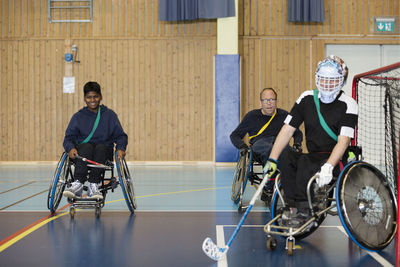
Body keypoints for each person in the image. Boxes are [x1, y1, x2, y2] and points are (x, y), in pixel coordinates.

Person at [264, 55, 358, 226]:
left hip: (335, 158)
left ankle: (303, 209)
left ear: (341, 81)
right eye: (323, 79)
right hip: (313, 155)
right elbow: (287, 130)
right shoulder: (306, 98)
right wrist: (272, 159)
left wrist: (329, 166)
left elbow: (343, 141)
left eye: (332, 80)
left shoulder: (349, 104)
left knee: (306, 162)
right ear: (317, 78)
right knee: (287, 157)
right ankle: (292, 206)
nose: (327, 84)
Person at [230, 87, 303, 199]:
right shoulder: (251, 116)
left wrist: (297, 144)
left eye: (272, 100)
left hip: (280, 145)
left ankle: (293, 187)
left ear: (276, 101)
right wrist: (243, 147)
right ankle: (269, 187)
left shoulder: (284, 115)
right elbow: (234, 135)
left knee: (291, 153)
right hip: (260, 145)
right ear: (260, 102)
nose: (269, 103)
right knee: (270, 149)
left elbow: (297, 133)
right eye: (265, 100)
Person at [63, 81, 128, 200]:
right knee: (86, 147)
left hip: (103, 151)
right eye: (89, 97)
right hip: (83, 152)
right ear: (84, 98)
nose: (92, 100)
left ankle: (94, 185)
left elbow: (120, 136)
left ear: (100, 97)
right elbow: (69, 138)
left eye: (95, 96)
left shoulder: (109, 115)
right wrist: (70, 148)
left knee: (100, 148)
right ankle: (78, 183)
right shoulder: (78, 117)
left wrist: (120, 148)